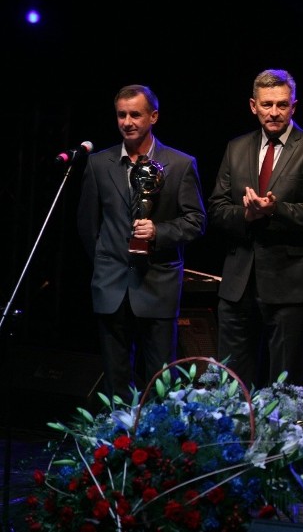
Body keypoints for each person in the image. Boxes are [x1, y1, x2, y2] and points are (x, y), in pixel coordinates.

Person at [77, 84, 207, 403]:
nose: (128, 121)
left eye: (136, 114)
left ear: (154, 116)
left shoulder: (180, 164)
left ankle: (158, 448)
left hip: (157, 282)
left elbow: (196, 221)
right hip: (111, 284)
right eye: (121, 115)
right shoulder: (98, 164)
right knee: (116, 376)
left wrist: (158, 232)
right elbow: (86, 224)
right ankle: (119, 445)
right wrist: (107, 263)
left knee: (160, 379)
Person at [208, 69, 303, 390]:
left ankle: (279, 441)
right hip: (239, 283)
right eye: (267, 105)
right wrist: (247, 216)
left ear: (294, 106)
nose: (274, 112)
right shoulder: (236, 148)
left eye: (282, 104)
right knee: (232, 382)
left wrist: (275, 208)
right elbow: (216, 209)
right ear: (254, 105)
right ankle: (236, 440)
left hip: (288, 283)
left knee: (284, 384)